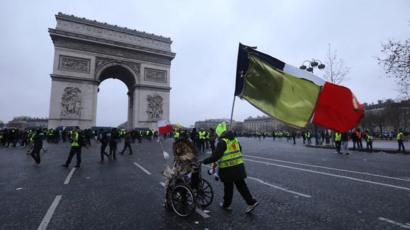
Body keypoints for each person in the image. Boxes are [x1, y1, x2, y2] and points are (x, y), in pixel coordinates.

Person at [201, 122, 258, 214]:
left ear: (219, 133)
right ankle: (251, 202)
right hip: (239, 167)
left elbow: (215, 157)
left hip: (227, 169)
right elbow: (240, 150)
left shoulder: (222, 142)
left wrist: (203, 161)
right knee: (242, 186)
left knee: (228, 188)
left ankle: (226, 204)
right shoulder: (235, 140)